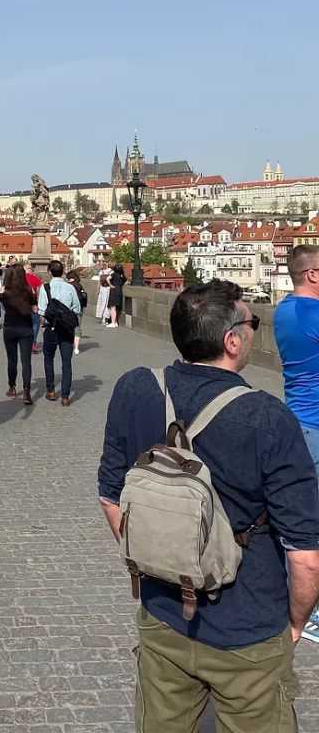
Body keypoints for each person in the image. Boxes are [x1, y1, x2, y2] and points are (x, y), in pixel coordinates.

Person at [97, 281, 319, 733]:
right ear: (232, 340)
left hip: (162, 611)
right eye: (252, 322)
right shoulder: (267, 417)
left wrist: (160, 555)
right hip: (249, 628)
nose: (256, 330)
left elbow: (110, 495)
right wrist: (294, 623)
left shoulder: (136, 388)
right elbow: (306, 557)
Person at [274, 243, 319, 641]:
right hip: (317, 426)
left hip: (297, 418)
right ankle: (310, 612)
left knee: (302, 514)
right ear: (313, 274)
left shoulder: (283, 310)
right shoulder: (316, 313)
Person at [38, 261, 81, 405]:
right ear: (62, 271)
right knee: (66, 362)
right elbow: (77, 309)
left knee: (48, 358)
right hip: (67, 329)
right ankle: (65, 396)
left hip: (51, 328)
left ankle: (50, 390)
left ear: (49, 271)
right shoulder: (70, 287)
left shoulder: (45, 288)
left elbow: (42, 311)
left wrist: (43, 325)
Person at [0, 264, 36, 405]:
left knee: (12, 359)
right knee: (26, 361)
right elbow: (34, 308)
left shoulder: (4, 291)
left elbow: (3, 307)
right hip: (26, 328)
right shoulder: (29, 290)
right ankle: (27, 392)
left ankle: (12, 387)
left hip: (10, 328)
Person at [67, 270, 87, 355]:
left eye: (68, 278)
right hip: (79, 309)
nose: (67, 280)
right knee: (77, 327)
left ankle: (69, 345)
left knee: (68, 327)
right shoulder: (80, 286)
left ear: (71, 278)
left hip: (69, 309)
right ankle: (77, 348)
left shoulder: (69, 286)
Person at [24, 262, 43, 353]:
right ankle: (33, 341)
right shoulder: (34, 278)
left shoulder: (20, 279)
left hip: (21, 304)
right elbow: (42, 288)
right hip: (33, 303)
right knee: (35, 322)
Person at [107, 263, 126, 327]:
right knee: (114, 307)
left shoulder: (114, 274)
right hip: (119, 291)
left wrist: (110, 285)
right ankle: (115, 322)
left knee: (112, 307)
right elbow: (125, 281)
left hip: (114, 291)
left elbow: (108, 278)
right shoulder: (122, 275)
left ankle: (113, 322)